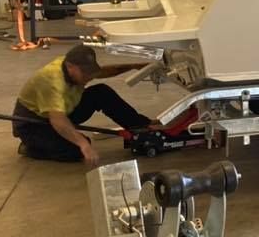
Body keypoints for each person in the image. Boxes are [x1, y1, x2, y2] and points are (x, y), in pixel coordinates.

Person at [12, 45, 154, 166]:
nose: (89, 77)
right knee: (77, 149)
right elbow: (58, 120)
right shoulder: (52, 81)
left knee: (101, 92)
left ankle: (141, 127)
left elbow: (102, 72)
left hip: (65, 109)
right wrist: (83, 144)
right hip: (34, 124)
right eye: (85, 73)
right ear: (70, 67)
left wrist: (132, 66)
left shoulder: (71, 64)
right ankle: (30, 148)